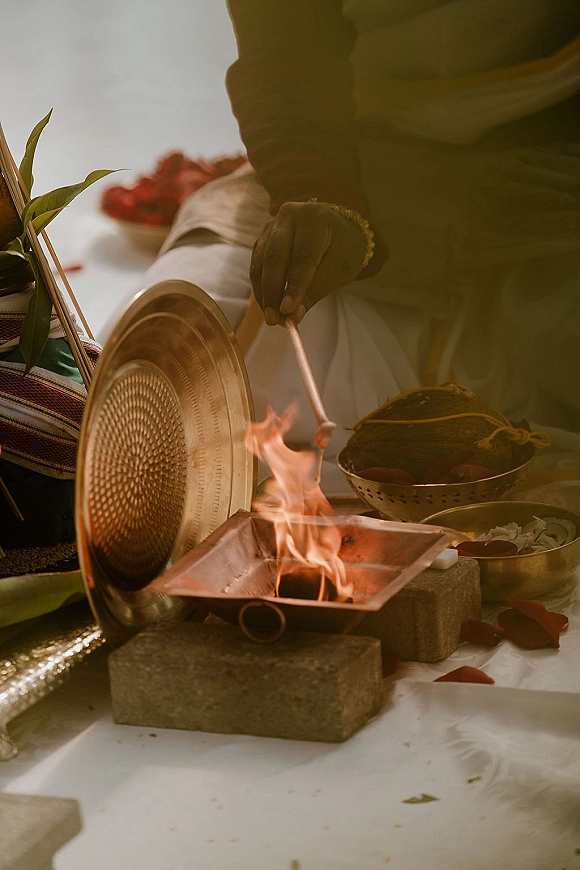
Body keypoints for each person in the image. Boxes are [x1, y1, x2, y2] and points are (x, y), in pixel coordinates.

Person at [144, 0, 580, 494]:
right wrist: (318, 194)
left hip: (551, 189)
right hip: (363, 161)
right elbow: (283, 55)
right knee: (168, 354)